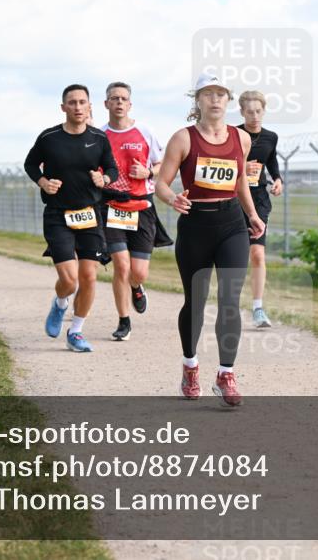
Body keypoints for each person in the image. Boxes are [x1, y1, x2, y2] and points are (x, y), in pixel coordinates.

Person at [155, 72, 265, 406]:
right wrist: (172, 198)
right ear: (198, 100)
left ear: (228, 100)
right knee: (196, 302)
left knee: (230, 301)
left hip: (231, 223)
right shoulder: (183, 138)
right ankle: (190, 367)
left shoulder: (240, 138)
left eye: (221, 94)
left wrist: (252, 214)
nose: (215, 99)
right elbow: (161, 182)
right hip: (195, 226)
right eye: (208, 93)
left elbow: (241, 181)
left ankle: (225, 374)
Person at [24, 84, 119, 353]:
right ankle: (60, 303)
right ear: (63, 107)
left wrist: (106, 178)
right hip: (57, 214)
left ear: (90, 106)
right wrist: (43, 182)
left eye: (82, 102)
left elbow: (111, 166)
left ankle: (76, 331)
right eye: (72, 102)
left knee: (88, 277)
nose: (78, 107)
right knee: (69, 280)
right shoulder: (49, 138)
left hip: (90, 214)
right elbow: (30, 164)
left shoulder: (99, 138)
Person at [100, 81, 164, 341]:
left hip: (141, 205)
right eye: (113, 98)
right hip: (112, 205)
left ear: (130, 104)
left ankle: (137, 287)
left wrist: (148, 172)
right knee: (121, 266)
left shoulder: (145, 132)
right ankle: (123, 321)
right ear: (106, 104)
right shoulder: (98, 135)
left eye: (123, 98)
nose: (118, 102)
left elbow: (162, 164)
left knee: (138, 272)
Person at [237, 90, 283, 328]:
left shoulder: (271, 137)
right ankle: (229, 304)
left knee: (257, 253)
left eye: (258, 111)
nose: (254, 116)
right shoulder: (233, 134)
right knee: (234, 255)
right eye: (249, 112)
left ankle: (258, 308)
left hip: (259, 199)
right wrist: (242, 167)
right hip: (234, 199)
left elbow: (271, 159)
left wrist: (278, 179)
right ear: (242, 112)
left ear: (264, 111)